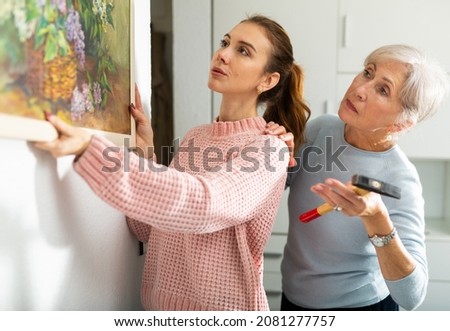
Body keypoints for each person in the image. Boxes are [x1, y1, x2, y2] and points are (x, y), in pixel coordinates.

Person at [34, 15, 310, 310]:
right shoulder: (195, 138)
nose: (223, 54)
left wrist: (92, 150)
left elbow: (204, 204)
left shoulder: (270, 149)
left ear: (267, 80)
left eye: (243, 51)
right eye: (226, 43)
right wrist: (144, 154)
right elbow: (149, 228)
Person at [275, 44, 450, 311]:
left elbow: (412, 296)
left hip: (360, 309)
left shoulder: (401, 179)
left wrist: (376, 218)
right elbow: (279, 185)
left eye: (383, 90)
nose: (359, 90)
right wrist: (275, 156)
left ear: (401, 123)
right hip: (294, 301)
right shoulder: (321, 129)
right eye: (368, 73)